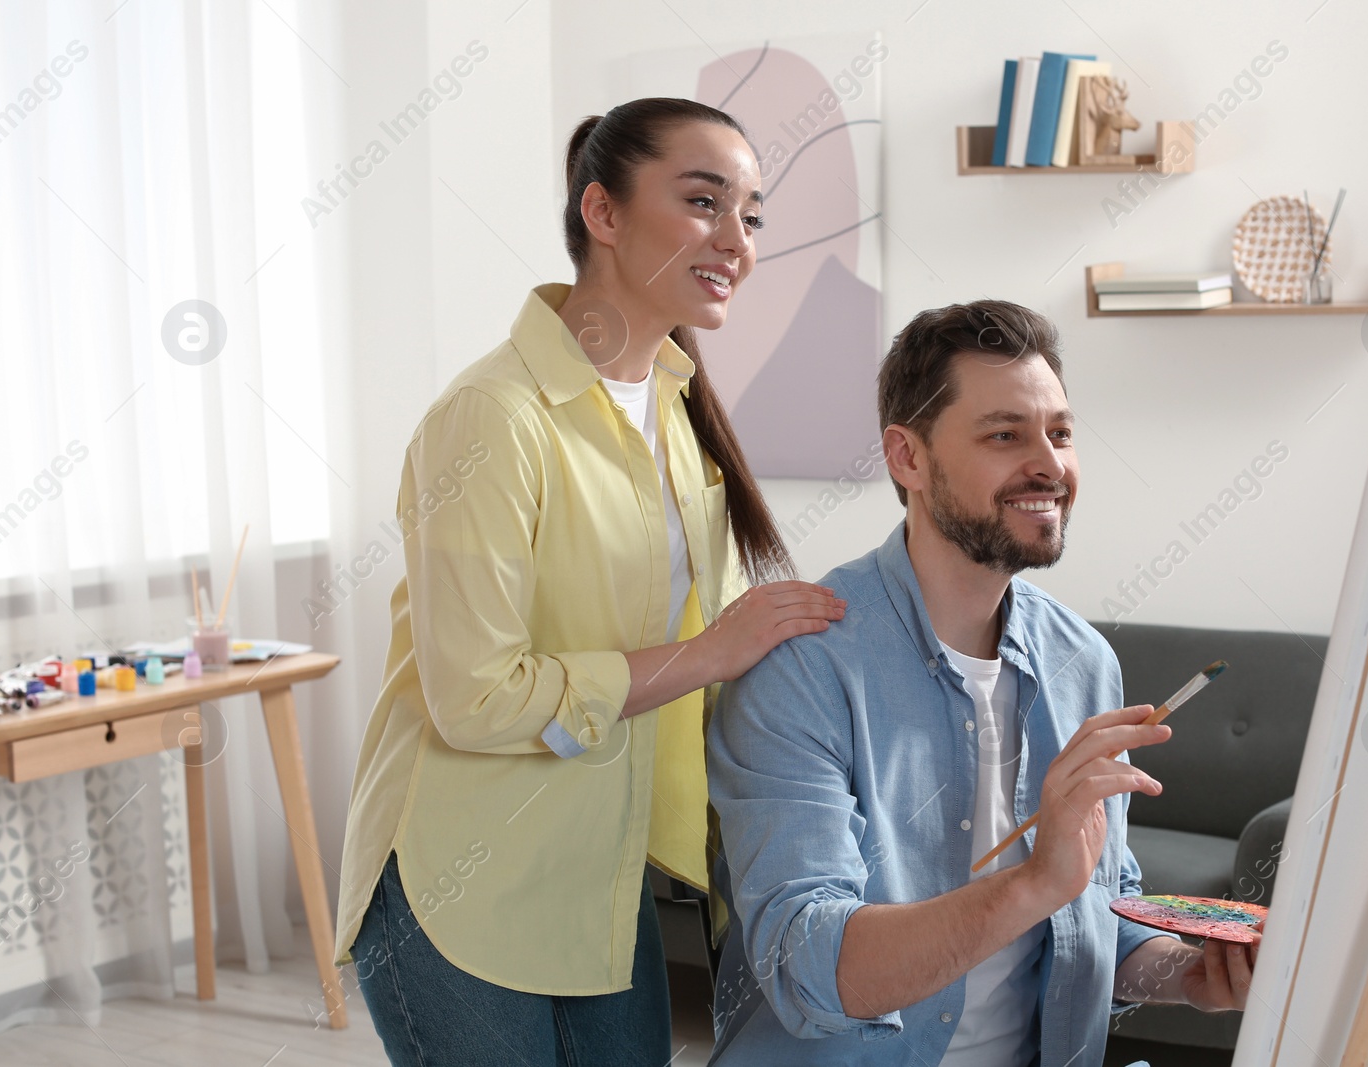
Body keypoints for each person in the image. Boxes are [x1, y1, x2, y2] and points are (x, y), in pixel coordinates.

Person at [332, 97, 847, 1065]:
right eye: (704, 201)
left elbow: (719, 647)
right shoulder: (492, 418)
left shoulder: (677, 410)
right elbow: (475, 698)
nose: (736, 238)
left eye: (752, 215)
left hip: (599, 876)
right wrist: (705, 652)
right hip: (459, 887)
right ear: (602, 213)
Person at [706, 300, 1260, 1065]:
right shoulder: (802, 666)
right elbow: (811, 967)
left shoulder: (1085, 661)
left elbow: (1103, 906)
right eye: (1005, 434)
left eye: (1060, 433)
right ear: (907, 458)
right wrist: (1034, 882)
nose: (1049, 464)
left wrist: (1192, 975)